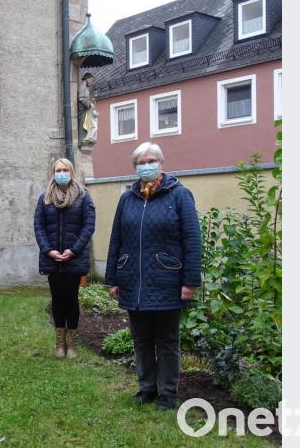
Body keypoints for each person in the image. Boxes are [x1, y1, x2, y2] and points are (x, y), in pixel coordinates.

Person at [104, 142, 202, 411]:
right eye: (140, 162)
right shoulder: (127, 199)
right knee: (141, 339)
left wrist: (190, 281)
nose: (146, 165)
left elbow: (192, 240)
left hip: (167, 281)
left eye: (151, 160)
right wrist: (112, 277)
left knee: (168, 341)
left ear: (161, 162)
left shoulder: (180, 195)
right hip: (133, 282)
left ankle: (168, 394)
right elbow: (117, 240)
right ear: (135, 167)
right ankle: (146, 388)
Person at [33, 158, 96, 359]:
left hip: (73, 259)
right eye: (58, 170)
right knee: (57, 300)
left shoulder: (83, 197)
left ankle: (72, 344)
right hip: (52, 260)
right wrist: (48, 250)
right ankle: (59, 344)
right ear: (53, 173)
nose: (61, 173)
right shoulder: (45, 198)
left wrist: (74, 250)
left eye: (64, 170)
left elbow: (89, 226)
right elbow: (39, 227)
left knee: (71, 300)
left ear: (71, 172)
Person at [78, 72, 98, 144]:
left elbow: (85, 98)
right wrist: (88, 104)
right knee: (83, 123)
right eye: (90, 80)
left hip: (85, 108)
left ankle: (85, 137)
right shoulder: (82, 86)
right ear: (86, 78)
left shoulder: (85, 87)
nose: (91, 82)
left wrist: (91, 100)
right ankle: (82, 138)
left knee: (86, 123)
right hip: (82, 109)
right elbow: (81, 98)